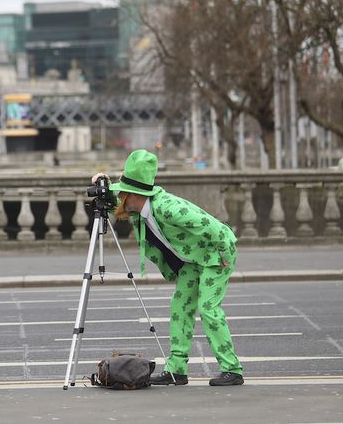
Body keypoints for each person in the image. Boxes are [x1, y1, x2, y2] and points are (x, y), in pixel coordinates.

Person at [91, 149, 244, 387]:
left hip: (216, 253)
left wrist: (225, 254)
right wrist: (104, 183)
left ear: (134, 195)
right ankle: (177, 370)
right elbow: (114, 207)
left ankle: (232, 370)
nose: (119, 197)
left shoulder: (168, 207)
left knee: (208, 308)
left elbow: (211, 226)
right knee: (180, 308)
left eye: (122, 192)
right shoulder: (140, 210)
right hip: (192, 258)